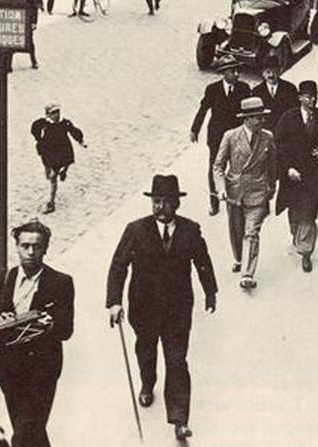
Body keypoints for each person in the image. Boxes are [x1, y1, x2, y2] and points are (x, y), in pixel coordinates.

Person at [106, 175, 218, 441]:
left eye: (166, 202)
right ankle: (148, 381)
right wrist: (114, 301)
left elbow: (202, 261)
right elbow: (118, 266)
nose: (160, 207)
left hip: (178, 309)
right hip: (143, 308)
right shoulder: (135, 230)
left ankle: (180, 418)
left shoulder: (190, 230)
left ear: (177, 204)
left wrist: (210, 292)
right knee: (146, 349)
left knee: (177, 361)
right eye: (156, 201)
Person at [0, 220, 74, 447]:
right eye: (25, 245)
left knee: (24, 433)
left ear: (45, 249)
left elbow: (67, 329)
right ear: (17, 246)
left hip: (43, 370)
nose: (30, 252)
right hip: (9, 368)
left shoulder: (61, 282)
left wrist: (51, 324)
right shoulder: (3, 278)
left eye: (36, 246)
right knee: (31, 430)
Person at [214, 97, 277, 289]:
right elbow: (218, 166)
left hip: (258, 193)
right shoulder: (230, 137)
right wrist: (221, 189)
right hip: (234, 193)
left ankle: (247, 274)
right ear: (247, 119)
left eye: (262, 117)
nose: (262, 121)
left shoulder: (267, 137)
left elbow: (273, 164)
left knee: (251, 232)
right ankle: (239, 258)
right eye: (258, 117)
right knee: (236, 231)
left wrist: (271, 187)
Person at [274, 80, 318, 273]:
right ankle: (296, 235)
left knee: (309, 211)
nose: (311, 99)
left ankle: (306, 252)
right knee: (294, 210)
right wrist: (288, 168)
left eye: (314, 96)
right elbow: (278, 146)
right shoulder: (288, 118)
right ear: (300, 98)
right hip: (292, 174)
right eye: (307, 96)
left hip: (314, 174)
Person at [190, 59, 251, 215]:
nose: (237, 74)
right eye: (233, 71)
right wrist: (195, 129)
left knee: (239, 166)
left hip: (236, 135)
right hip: (217, 135)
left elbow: (248, 113)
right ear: (224, 73)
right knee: (216, 167)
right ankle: (214, 200)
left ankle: (239, 199)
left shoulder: (244, 88)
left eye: (237, 71)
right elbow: (203, 109)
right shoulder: (212, 89)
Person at [30, 103, 87, 214]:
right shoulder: (43, 123)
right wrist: (38, 139)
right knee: (47, 173)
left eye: (57, 112)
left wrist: (81, 142)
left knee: (52, 177)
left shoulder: (64, 123)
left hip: (62, 152)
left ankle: (51, 203)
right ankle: (62, 172)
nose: (56, 115)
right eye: (53, 113)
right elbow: (34, 129)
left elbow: (74, 132)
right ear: (47, 114)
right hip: (47, 152)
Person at [250, 56, 299, 131]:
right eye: (268, 72)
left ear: (279, 71)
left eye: (274, 71)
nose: (271, 75)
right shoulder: (256, 91)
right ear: (262, 73)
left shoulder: (290, 88)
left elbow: (295, 112)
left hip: (285, 129)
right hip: (264, 131)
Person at [7, 0, 39, 70]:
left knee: (29, 43)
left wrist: (34, 22)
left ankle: (34, 61)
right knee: (11, 44)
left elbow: (34, 8)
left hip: (26, 23)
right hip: (14, 23)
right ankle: (8, 65)